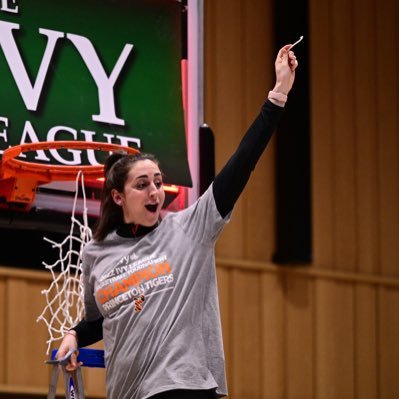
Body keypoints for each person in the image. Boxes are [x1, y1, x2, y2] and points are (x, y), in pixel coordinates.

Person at [55, 44, 299, 399]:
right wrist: (75, 335)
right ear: (118, 197)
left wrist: (277, 95)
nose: (155, 191)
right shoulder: (96, 254)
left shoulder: (190, 228)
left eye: (157, 181)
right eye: (142, 185)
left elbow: (241, 165)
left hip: (185, 386)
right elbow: (101, 320)